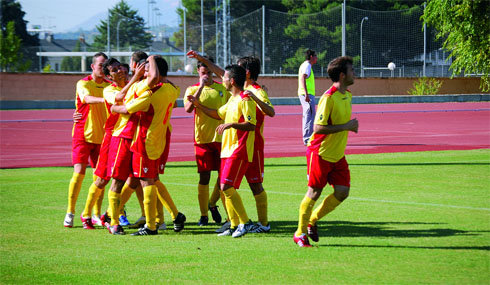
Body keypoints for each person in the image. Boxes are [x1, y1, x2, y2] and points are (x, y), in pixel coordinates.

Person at [187, 51, 274, 234]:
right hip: (234, 144)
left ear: (246, 73)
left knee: (252, 184)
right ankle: (235, 223)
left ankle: (260, 224)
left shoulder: (255, 92)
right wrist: (202, 59)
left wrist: (255, 99)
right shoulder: (236, 95)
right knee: (226, 185)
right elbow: (218, 109)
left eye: (239, 68)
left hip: (251, 145)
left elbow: (270, 112)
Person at [293, 56, 359, 247]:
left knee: (342, 192)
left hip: (337, 155)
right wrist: (347, 126)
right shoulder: (328, 97)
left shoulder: (348, 95)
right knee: (314, 192)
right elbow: (318, 128)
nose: (354, 72)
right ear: (342, 74)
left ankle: (312, 220)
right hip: (320, 153)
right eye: (351, 69)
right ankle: (299, 233)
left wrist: (346, 127)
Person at [112, 55, 181, 236]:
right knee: (151, 179)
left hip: (144, 140)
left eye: (149, 69)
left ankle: (150, 225)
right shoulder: (172, 89)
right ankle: (166, 218)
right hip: (159, 140)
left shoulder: (151, 94)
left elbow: (126, 109)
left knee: (146, 181)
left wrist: (113, 108)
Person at [79, 57, 128, 229]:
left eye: (120, 67)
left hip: (131, 136)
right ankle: (87, 214)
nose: (119, 71)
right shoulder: (109, 89)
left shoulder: (131, 84)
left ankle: (112, 215)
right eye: (114, 70)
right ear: (110, 76)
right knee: (103, 179)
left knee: (134, 179)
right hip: (113, 137)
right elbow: (121, 98)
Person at [63, 52, 110, 228]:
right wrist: (106, 99)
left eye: (105, 66)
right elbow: (86, 99)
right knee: (79, 173)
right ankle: (70, 212)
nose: (103, 69)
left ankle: (96, 214)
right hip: (82, 135)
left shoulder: (110, 85)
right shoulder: (83, 83)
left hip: (103, 137)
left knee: (101, 177)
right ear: (92, 67)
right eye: (100, 65)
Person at [184, 56, 230, 227]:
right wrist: (201, 87)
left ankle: (218, 208)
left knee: (223, 178)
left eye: (209, 72)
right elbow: (188, 109)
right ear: (198, 71)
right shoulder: (191, 89)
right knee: (204, 178)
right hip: (202, 139)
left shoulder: (222, 89)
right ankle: (203, 215)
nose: (207, 75)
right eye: (203, 72)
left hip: (222, 139)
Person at [298, 49, 318, 146]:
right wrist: (306, 93)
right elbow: (303, 78)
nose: (317, 58)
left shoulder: (305, 65)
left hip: (307, 94)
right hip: (307, 94)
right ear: (311, 57)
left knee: (309, 114)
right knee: (309, 114)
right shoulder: (307, 65)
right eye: (315, 56)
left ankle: (308, 137)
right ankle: (307, 138)